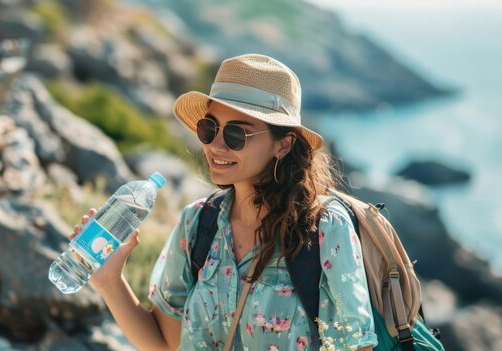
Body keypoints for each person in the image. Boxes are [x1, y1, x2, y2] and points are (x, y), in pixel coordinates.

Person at [71, 54, 378, 350]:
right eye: (209, 128)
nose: (216, 145)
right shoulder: (197, 223)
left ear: (282, 145)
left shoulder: (324, 228)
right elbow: (163, 343)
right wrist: (109, 279)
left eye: (236, 135)